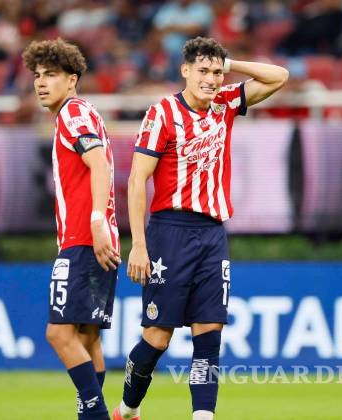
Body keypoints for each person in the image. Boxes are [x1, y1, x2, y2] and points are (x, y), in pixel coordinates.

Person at [113, 36, 288, 420]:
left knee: (209, 334)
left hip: (211, 234)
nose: (211, 79)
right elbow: (137, 180)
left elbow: (279, 77)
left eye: (216, 72)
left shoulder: (225, 102)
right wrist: (138, 244)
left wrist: (231, 63)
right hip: (169, 232)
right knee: (157, 337)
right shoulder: (162, 113)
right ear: (185, 71)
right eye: (203, 70)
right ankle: (127, 408)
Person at [22, 38, 120, 420]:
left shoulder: (72, 114)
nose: (41, 82)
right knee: (87, 338)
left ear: (72, 79)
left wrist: (95, 221)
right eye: (37, 75)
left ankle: (97, 415)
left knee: (59, 334)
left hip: (84, 238)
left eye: (51, 74)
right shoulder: (84, 112)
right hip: (96, 238)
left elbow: (100, 164)